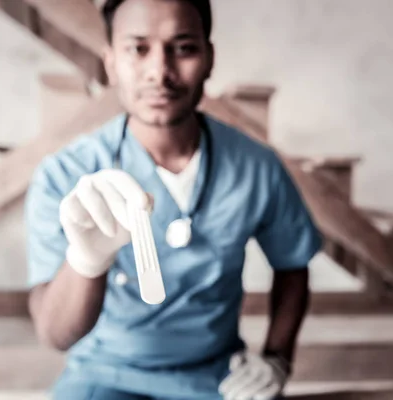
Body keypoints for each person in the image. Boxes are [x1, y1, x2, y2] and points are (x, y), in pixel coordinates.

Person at [25, 0, 323, 398]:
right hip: (103, 374)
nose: (160, 73)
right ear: (111, 63)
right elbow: (54, 333)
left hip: (216, 374)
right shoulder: (64, 174)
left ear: (210, 58)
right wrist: (86, 261)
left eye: (183, 48)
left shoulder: (257, 167)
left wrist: (276, 357)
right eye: (138, 49)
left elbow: (292, 264)